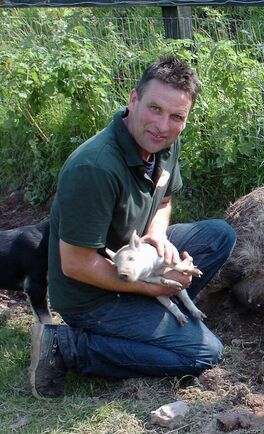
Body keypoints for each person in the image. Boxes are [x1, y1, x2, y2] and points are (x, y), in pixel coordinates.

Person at [29, 54, 236, 399]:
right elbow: (76, 264)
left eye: (176, 117)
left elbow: (164, 200)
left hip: (137, 257)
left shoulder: (163, 142)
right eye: (155, 109)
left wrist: (156, 235)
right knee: (203, 353)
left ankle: (156, 315)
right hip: (90, 294)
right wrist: (149, 288)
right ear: (133, 99)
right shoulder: (94, 168)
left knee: (219, 235)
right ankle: (68, 346)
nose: (163, 125)